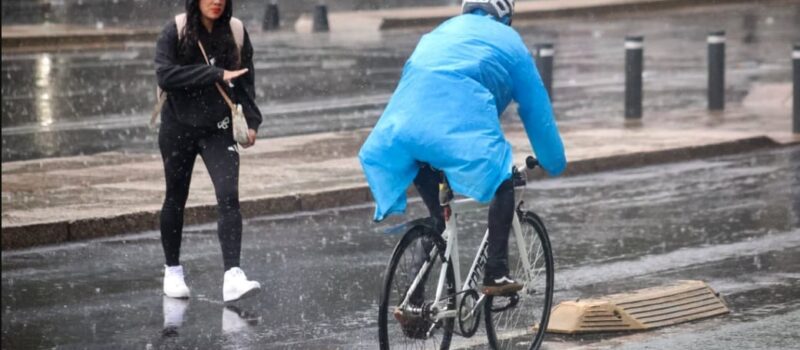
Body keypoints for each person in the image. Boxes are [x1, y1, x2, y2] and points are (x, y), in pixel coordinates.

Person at [358, 0, 566, 296]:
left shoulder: (441, 31)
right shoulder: (510, 42)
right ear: (506, 15)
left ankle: (413, 302)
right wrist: (553, 161)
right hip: (452, 127)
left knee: (438, 218)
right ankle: (496, 272)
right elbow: (537, 110)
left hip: (404, 131)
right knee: (503, 181)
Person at [154, 0, 262, 302]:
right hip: (178, 128)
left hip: (219, 127)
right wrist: (214, 74)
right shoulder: (175, 31)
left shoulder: (236, 31)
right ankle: (172, 270)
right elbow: (167, 76)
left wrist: (252, 121)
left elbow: (245, 81)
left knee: (229, 195)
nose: (215, 1)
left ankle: (232, 276)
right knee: (176, 197)